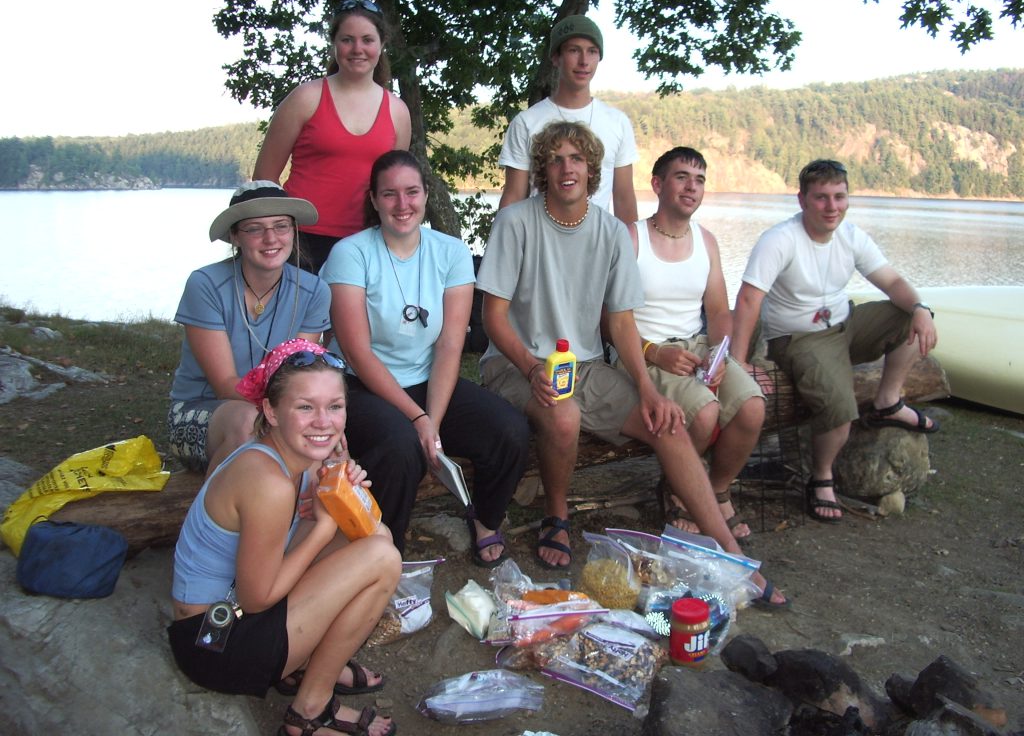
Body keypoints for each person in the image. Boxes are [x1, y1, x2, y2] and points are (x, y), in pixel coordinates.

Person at [476, 121, 787, 607]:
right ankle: (556, 515)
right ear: (541, 169)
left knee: (667, 421)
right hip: (517, 364)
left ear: (591, 169)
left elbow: (621, 322)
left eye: (576, 158)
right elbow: (492, 316)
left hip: (586, 366)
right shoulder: (515, 222)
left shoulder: (609, 232)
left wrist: (647, 389)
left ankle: (731, 557)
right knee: (564, 413)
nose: (566, 168)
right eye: (555, 159)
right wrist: (532, 368)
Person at [168, 338, 401, 736]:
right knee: (382, 557)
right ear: (271, 412)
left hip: (235, 613)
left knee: (376, 536)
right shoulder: (266, 479)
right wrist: (325, 524)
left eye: (335, 406)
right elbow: (257, 597)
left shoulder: (297, 460)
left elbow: (355, 531)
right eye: (305, 407)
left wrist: (344, 490)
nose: (323, 422)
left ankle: (311, 663)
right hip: (213, 642)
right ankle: (308, 712)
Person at [322, 150, 530, 563]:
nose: (403, 205)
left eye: (412, 192)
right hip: (360, 385)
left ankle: (485, 519)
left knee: (510, 429)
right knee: (401, 447)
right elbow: (357, 351)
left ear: (426, 194)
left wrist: (432, 420)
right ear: (374, 199)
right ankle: (383, 553)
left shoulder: (451, 252)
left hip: (428, 379)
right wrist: (418, 421)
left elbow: (450, 344)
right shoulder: (351, 253)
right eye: (390, 194)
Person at [732, 159, 939, 523]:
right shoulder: (780, 240)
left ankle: (888, 400)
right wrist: (738, 364)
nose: (832, 207)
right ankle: (821, 476)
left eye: (839, 197)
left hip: (846, 325)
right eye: (822, 198)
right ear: (803, 200)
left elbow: (891, 283)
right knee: (839, 407)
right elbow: (749, 300)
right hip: (800, 338)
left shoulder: (851, 236)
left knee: (910, 317)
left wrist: (921, 308)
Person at [622, 147, 765, 539]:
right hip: (644, 349)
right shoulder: (632, 237)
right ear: (657, 184)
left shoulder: (707, 242)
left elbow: (719, 312)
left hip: (697, 346)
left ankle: (715, 488)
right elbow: (611, 319)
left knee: (752, 407)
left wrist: (721, 357)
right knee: (704, 414)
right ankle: (680, 489)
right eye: (682, 176)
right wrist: (656, 353)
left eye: (699, 180)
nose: (692, 187)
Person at [168, 181, 331, 475]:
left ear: (293, 231)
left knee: (323, 446)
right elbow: (224, 384)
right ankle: (212, 516)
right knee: (248, 423)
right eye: (255, 229)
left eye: (281, 226)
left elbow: (300, 374)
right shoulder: (205, 285)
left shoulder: (314, 291)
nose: (271, 238)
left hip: (279, 413)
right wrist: (289, 416)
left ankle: (290, 517)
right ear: (235, 237)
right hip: (203, 413)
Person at [254, 0, 412, 274]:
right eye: (347, 39)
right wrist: (276, 238)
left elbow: (396, 187)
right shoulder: (305, 98)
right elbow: (264, 180)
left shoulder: (398, 111)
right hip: (300, 243)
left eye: (367, 40)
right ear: (334, 44)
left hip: (366, 244)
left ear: (382, 45)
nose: (357, 49)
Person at [497, 14, 638, 224]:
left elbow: (624, 198)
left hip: (598, 247)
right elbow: (514, 197)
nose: (584, 61)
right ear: (556, 57)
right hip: (541, 245)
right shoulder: (526, 122)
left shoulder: (617, 122)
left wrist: (629, 252)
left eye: (592, 51)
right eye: (574, 50)